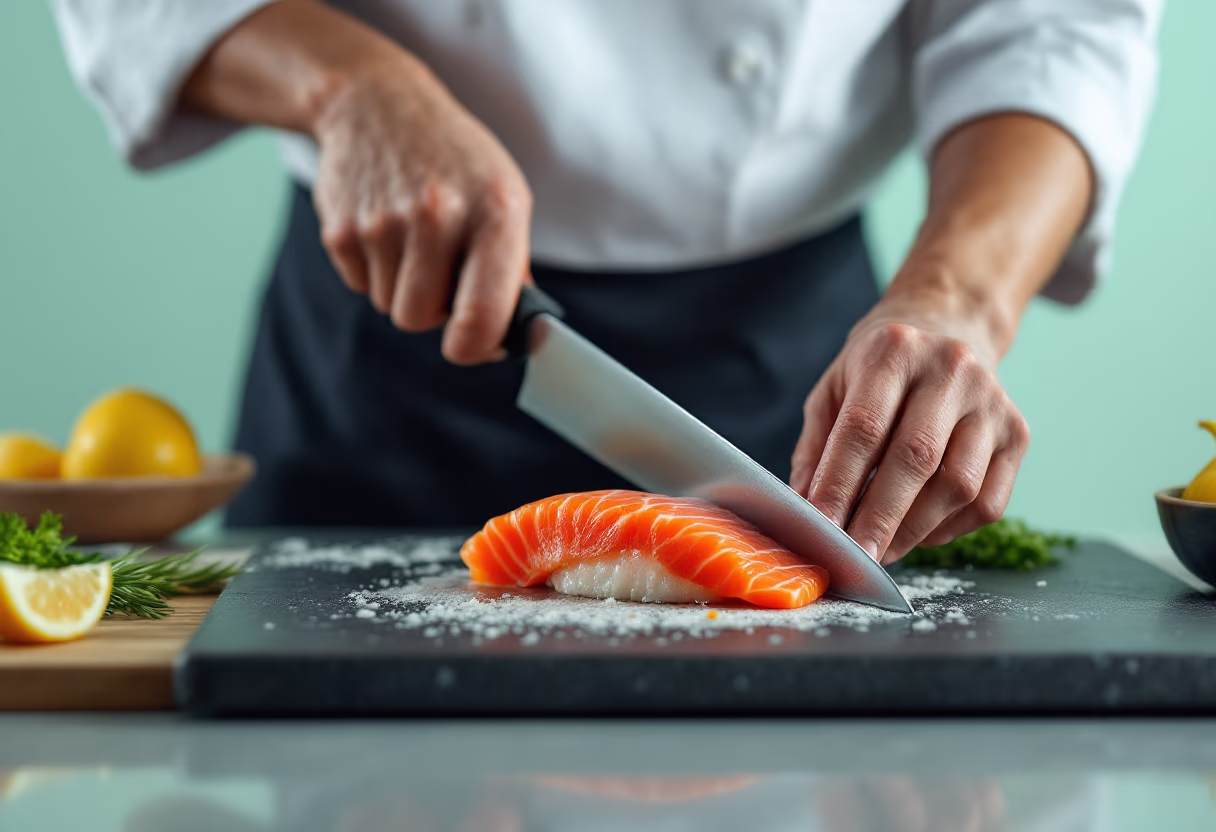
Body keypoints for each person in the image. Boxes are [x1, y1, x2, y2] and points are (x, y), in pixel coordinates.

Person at [52, 1, 1159, 564]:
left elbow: (1049, 24)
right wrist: (347, 86)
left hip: (805, 376)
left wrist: (959, 297)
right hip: (394, 317)